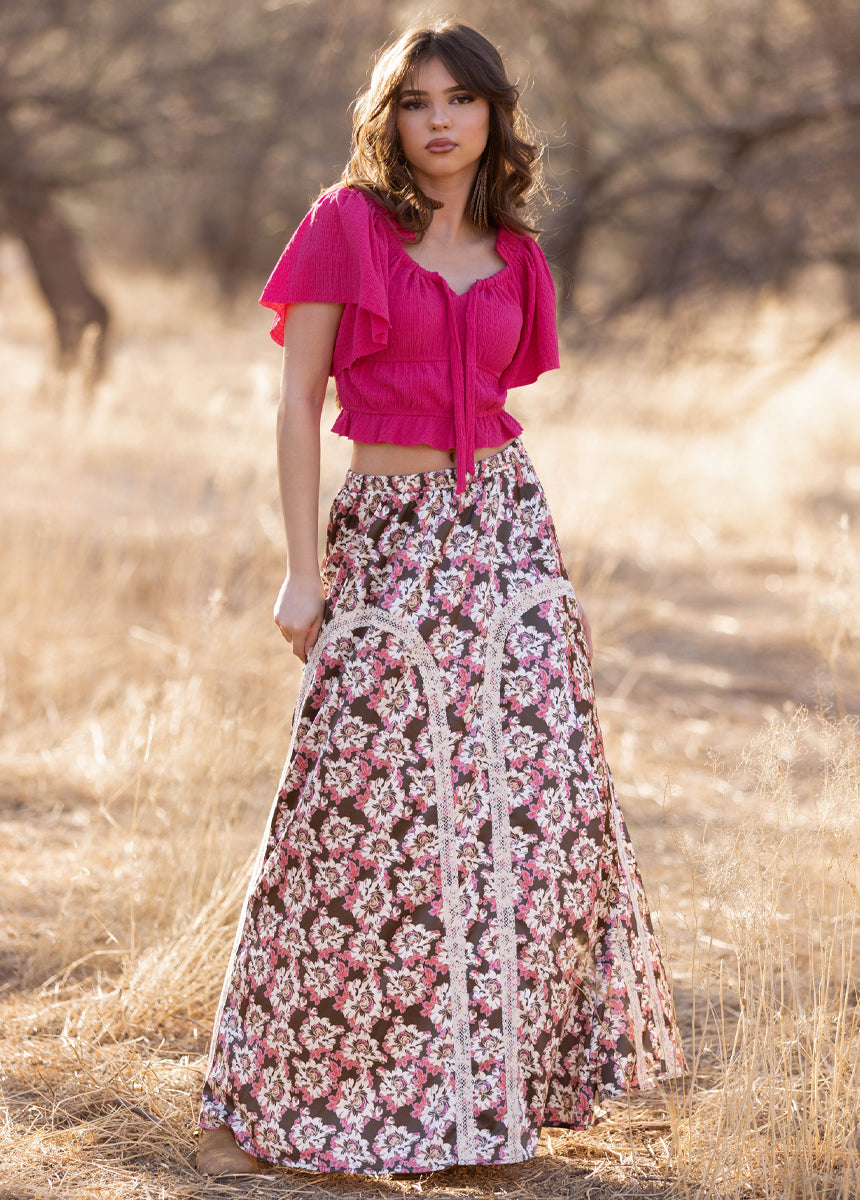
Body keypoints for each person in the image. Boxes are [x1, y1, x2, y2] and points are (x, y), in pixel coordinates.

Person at [196, 20, 685, 1178]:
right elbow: (294, 404)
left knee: (531, 806)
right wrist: (301, 568)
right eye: (416, 101)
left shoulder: (516, 251)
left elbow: (500, 400)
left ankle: (482, 1110)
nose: (439, 120)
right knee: (357, 817)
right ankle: (262, 1107)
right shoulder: (343, 226)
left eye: (460, 99)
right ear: (389, 116)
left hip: (508, 540)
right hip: (387, 537)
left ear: (492, 117)